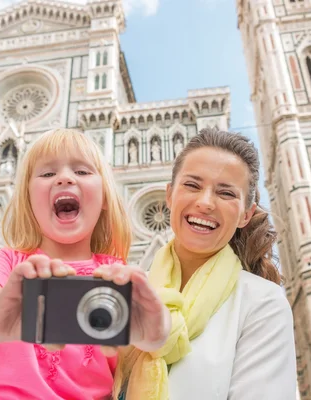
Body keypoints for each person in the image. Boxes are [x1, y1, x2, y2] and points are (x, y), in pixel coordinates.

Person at [0, 128, 170, 400]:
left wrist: (154, 334)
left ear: (104, 198)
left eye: (82, 171)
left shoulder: (115, 273)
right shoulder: (9, 264)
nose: (65, 178)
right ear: (28, 200)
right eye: (47, 174)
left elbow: (149, 334)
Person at [109, 128, 297, 399]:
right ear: (170, 196)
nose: (205, 202)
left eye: (226, 193)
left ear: (246, 214)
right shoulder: (127, 293)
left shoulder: (261, 303)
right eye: (193, 185)